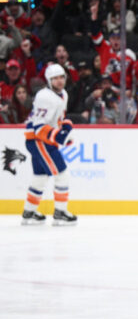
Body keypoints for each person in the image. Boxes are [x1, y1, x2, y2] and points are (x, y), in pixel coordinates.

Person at [21, 64, 77, 226]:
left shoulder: (63, 94)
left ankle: (29, 212)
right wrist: (59, 137)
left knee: (40, 176)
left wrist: (65, 128)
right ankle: (60, 213)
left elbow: (59, 118)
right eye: (55, 78)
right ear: (48, 80)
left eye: (61, 77)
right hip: (39, 140)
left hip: (41, 139)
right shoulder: (44, 96)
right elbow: (39, 128)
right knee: (62, 174)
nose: (59, 81)